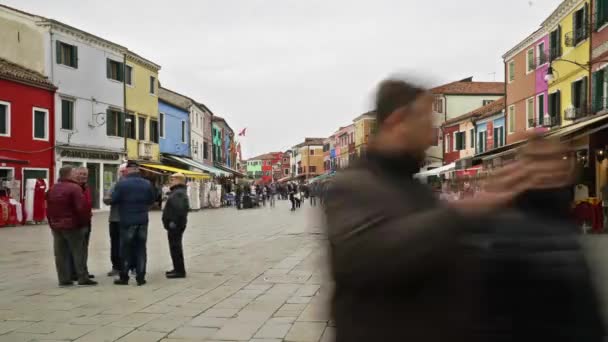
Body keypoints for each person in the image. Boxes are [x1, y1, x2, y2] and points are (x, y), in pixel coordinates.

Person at [324, 78, 604, 342]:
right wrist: (465, 211)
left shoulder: (410, 186)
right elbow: (369, 256)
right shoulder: (353, 186)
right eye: (426, 121)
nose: (433, 135)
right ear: (398, 121)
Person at [46, 166, 97, 287]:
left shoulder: (53, 188)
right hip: (73, 225)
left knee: (60, 254)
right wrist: (84, 223)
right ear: (69, 174)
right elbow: (81, 208)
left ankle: (64, 279)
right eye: (74, 173)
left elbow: (48, 208)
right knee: (79, 252)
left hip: (56, 226)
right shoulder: (74, 188)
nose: (76, 175)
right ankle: (82, 277)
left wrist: (51, 223)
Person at [111, 161, 156, 286]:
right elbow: (152, 199)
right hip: (142, 220)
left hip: (127, 220)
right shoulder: (147, 183)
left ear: (128, 170)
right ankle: (140, 277)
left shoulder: (122, 184)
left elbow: (114, 199)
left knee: (126, 249)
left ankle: (124, 277)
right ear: (138, 170)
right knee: (141, 248)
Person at [163, 173, 190, 279]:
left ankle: (179, 270)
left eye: (173, 179)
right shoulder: (177, 192)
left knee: (175, 247)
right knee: (174, 247)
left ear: (179, 180)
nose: (171, 181)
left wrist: (173, 222)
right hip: (176, 224)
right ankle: (177, 268)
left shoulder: (178, 193)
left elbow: (179, 209)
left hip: (175, 225)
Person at [104, 164, 127, 276]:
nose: (122, 173)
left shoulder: (132, 184)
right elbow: (106, 198)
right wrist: (108, 199)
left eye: (124, 171)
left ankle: (128, 266)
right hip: (114, 219)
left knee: (128, 244)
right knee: (115, 244)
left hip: (128, 219)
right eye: (121, 171)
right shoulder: (114, 185)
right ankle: (116, 267)